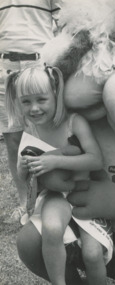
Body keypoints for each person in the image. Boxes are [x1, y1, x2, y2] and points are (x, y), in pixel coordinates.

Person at [5, 66, 110, 285]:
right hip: (55, 196)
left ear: (56, 95)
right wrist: (25, 166)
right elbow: (24, 176)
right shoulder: (31, 129)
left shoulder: (74, 122)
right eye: (26, 102)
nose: (34, 109)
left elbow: (95, 160)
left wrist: (55, 160)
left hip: (85, 192)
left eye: (41, 99)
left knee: (92, 254)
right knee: (52, 229)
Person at [0, 0, 62, 224]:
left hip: (40, 66)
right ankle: (24, 202)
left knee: (46, 135)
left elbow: (64, 22)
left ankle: (51, 196)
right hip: (4, 70)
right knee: (13, 141)